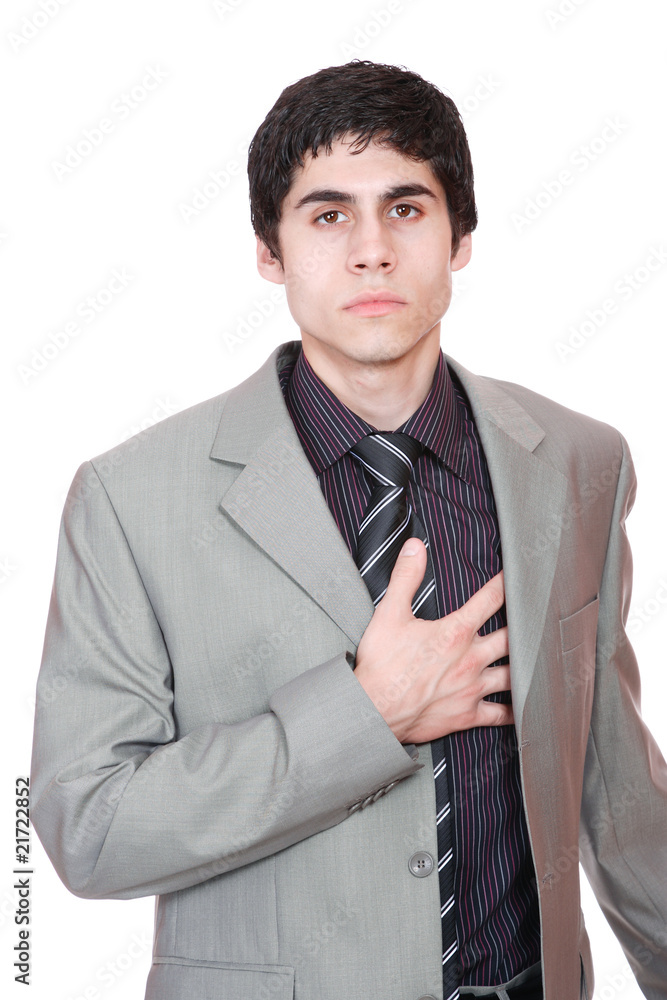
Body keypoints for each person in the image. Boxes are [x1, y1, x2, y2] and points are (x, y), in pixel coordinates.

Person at [30, 60, 667, 1000]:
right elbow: (88, 827)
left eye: (405, 209)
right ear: (270, 251)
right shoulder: (128, 498)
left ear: (459, 236)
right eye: (328, 216)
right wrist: (365, 714)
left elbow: (617, 792)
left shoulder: (577, 461)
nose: (372, 251)